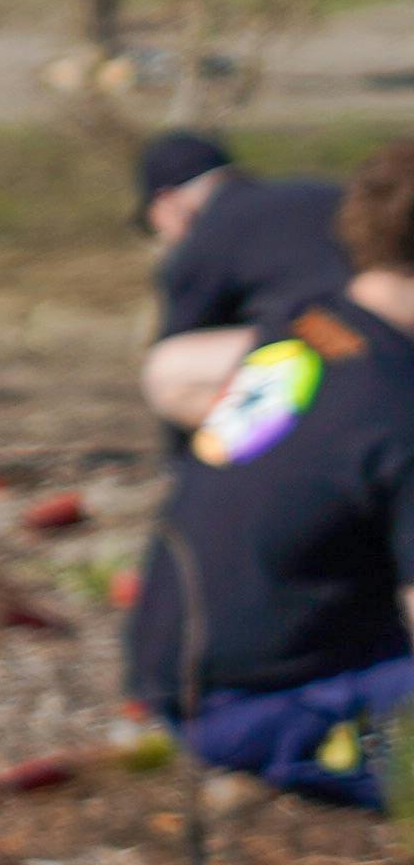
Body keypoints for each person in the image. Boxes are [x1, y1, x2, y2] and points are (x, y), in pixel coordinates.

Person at [124, 138, 414, 810]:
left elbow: (170, 372)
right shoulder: (400, 408)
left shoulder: (303, 332)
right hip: (274, 703)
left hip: (179, 671)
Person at [138, 130, 358, 436]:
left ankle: (282, 461)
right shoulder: (319, 192)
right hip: (396, 345)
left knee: (167, 370)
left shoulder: (203, 239)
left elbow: (179, 338)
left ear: (166, 201)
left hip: (333, 349)